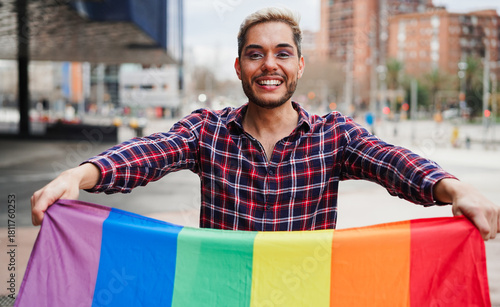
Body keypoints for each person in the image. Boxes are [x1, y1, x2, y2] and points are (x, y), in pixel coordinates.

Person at [32, 7, 499, 239]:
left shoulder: (334, 136)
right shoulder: (207, 132)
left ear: (299, 66)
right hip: (221, 296)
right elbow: (147, 154)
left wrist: (454, 188)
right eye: (255, 54)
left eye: (282, 54)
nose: (268, 65)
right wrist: (80, 175)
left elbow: (396, 163)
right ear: (239, 67)